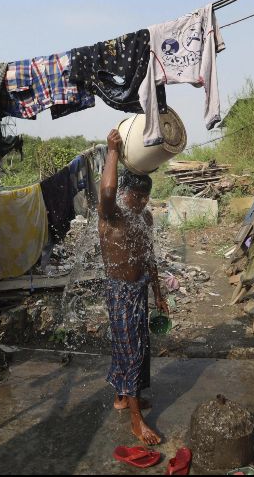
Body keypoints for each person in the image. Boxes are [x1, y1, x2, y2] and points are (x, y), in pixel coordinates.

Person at [99, 128, 168, 446]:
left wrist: (158, 294)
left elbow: (149, 257)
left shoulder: (146, 218)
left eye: (144, 197)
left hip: (139, 290)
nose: (139, 202)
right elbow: (108, 191)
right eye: (134, 195)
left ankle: (122, 398)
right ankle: (136, 422)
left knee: (136, 348)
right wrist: (112, 151)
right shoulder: (111, 215)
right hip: (119, 293)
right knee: (132, 353)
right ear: (123, 191)